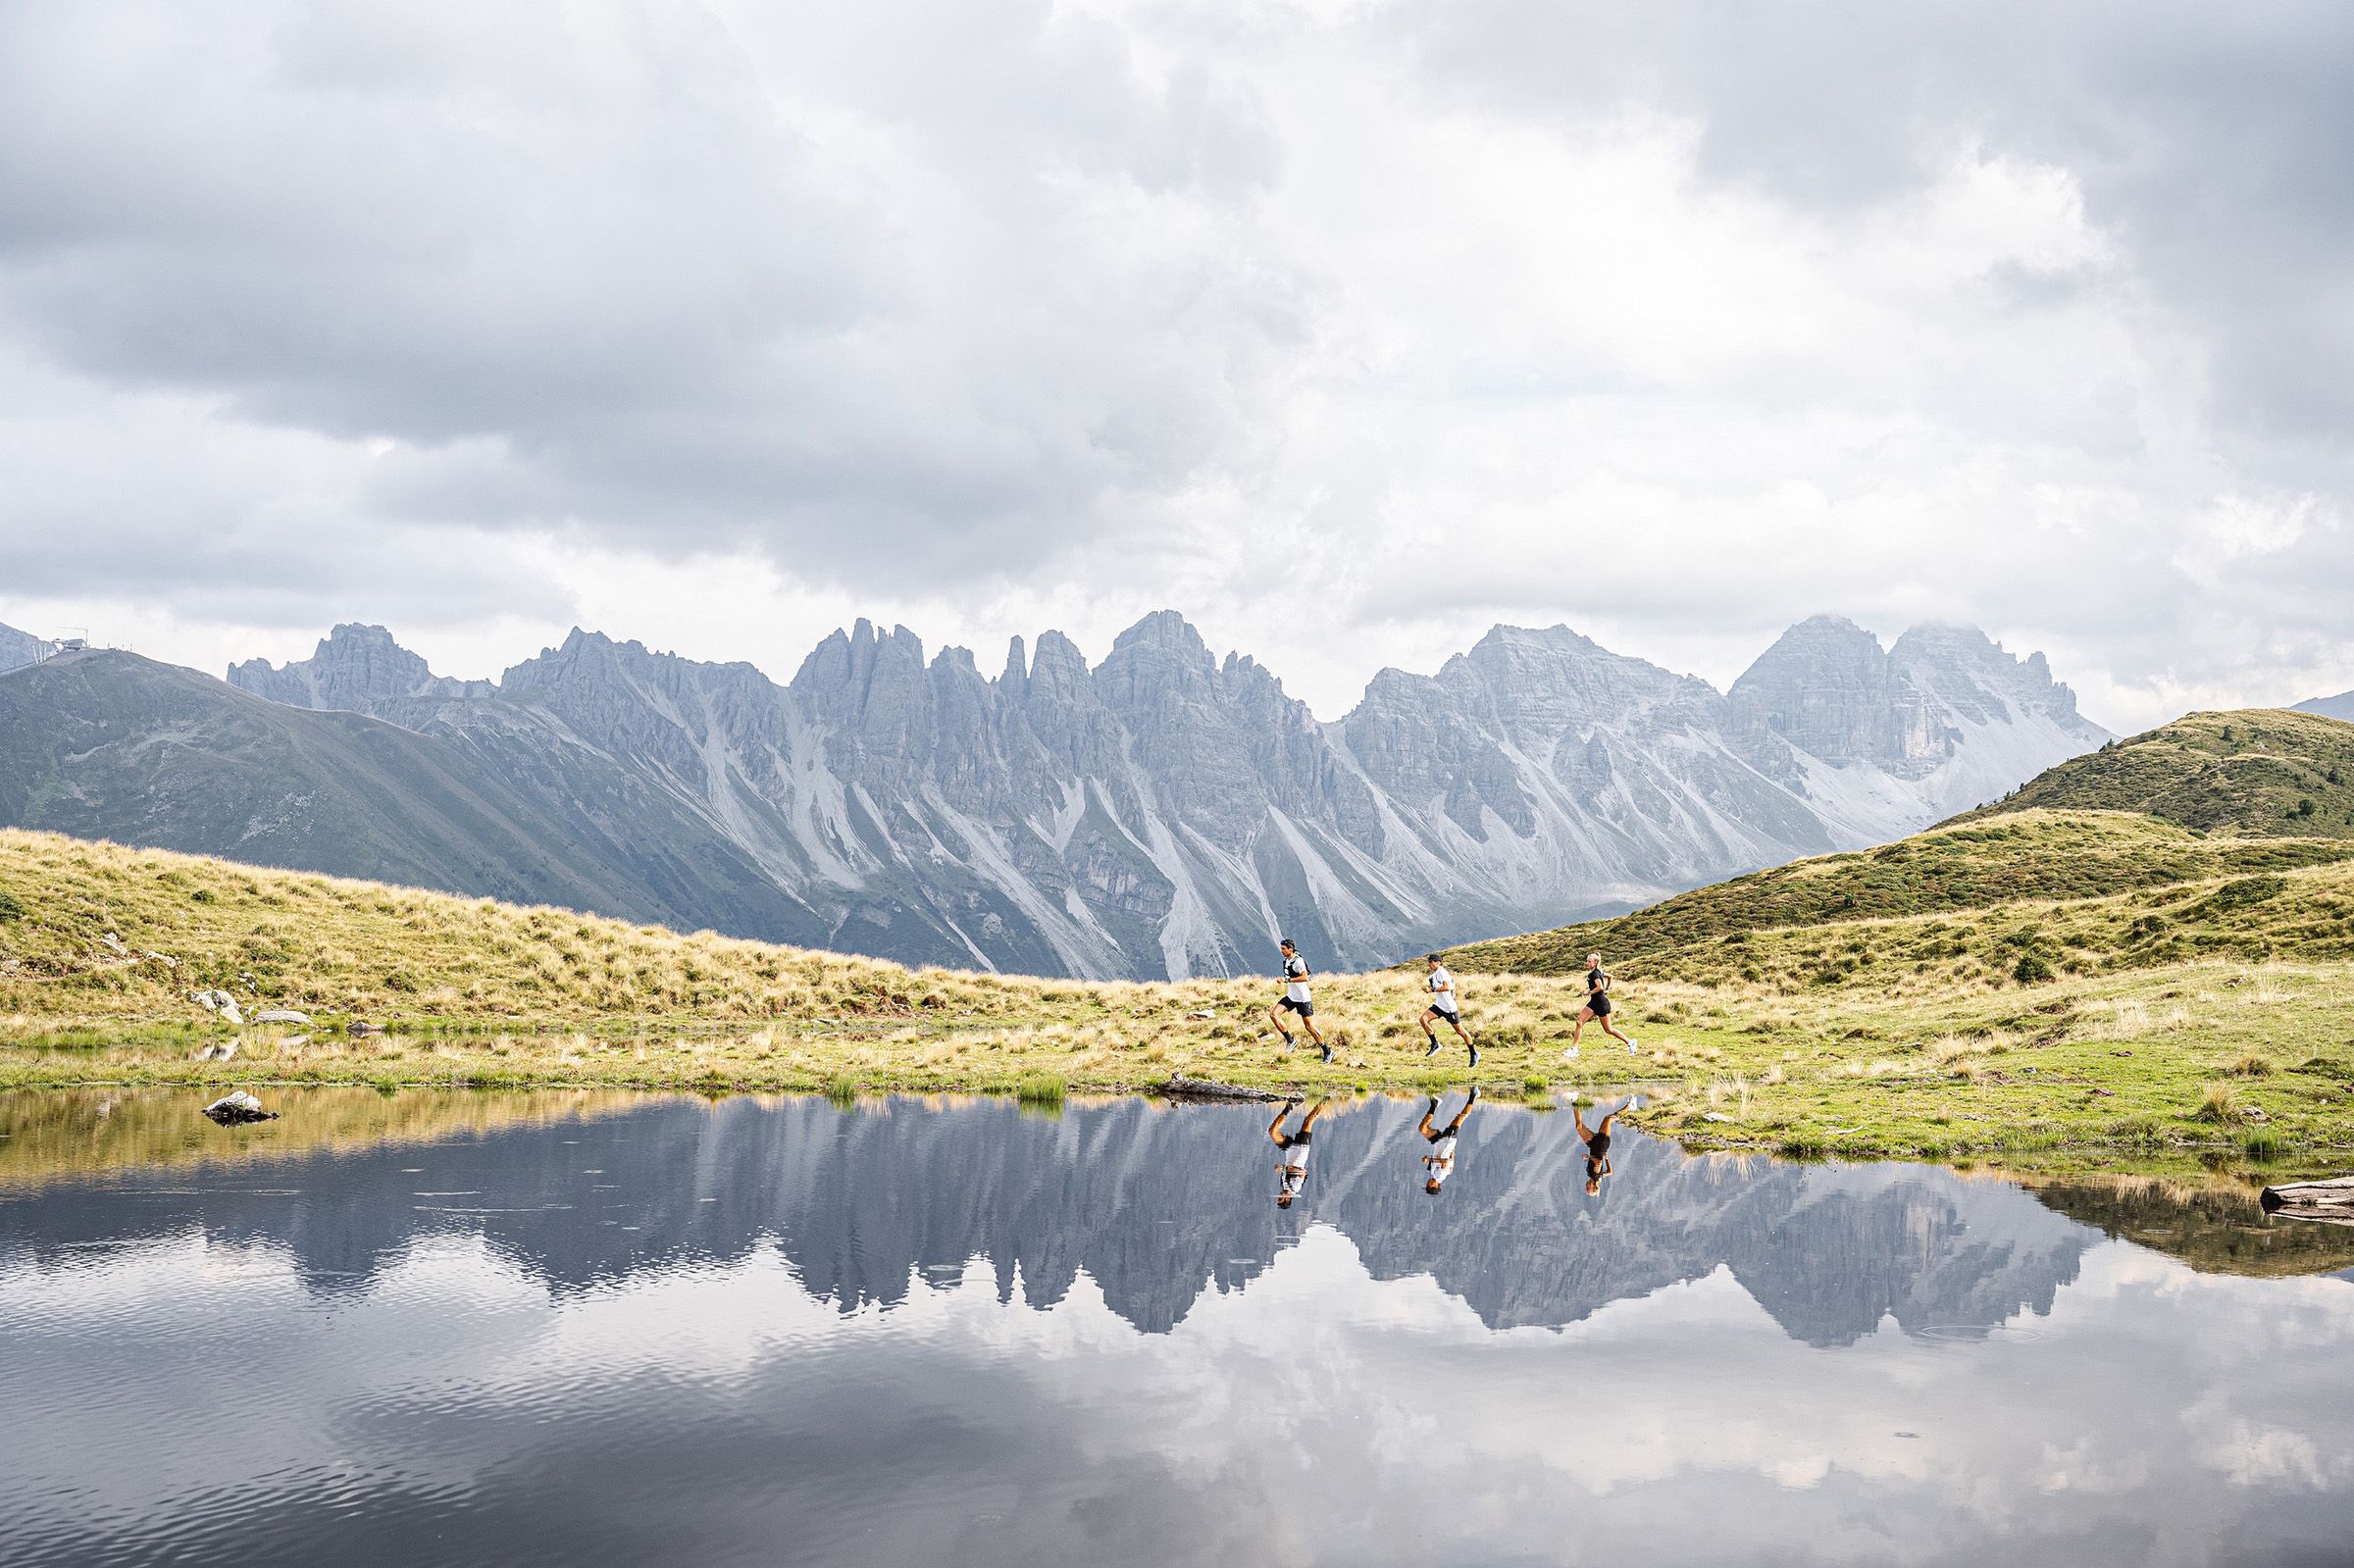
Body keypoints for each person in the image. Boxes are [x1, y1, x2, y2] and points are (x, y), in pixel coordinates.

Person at [1563, 950, 1638, 1058]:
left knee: (1608, 1030)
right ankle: (1574, 1050)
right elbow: (1610, 977)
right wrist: (1607, 989)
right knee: (1579, 1022)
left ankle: (1630, 1042)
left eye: (1589, 962)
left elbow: (1599, 987)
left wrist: (1589, 991)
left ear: (1595, 963)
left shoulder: (1595, 974)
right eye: (1587, 961)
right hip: (1594, 1003)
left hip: (1602, 1004)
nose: (1587, 963)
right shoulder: (1598, 972)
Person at [1268, 936, 1331, 1063]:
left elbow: (1305, 977)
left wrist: (1286, 980)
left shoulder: (1298, 961)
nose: (1281, 951)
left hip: (1303, 998)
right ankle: (1291, 1041)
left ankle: (1328, 1051)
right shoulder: (1286, 960)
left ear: (1290, 949)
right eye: (1281, 948)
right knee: (1274, 1015)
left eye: (1284, 949)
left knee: (1309, 1027)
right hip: (1292, 996)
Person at [1270, 1095, 1331, 1208]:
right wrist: (1283, 1168)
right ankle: (1325, 1098)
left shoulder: (1283, 1185)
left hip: (1289, 1151)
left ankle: (1289, 1107)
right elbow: (1302, 1172)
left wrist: (1284, 1168)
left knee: (1273, 1132)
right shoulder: (1295, 1188)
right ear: (1287, 1199)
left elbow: (1288, 1168)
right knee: (1308, 1120)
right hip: (1301, 1151)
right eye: (1280, 1199)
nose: (1279, 1196)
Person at [1420, 953, 1478, 1067]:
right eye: (1428, 962)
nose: (1429, 964)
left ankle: (1474, 1053)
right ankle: (1435, 1044)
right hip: (1439, 1006)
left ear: (1437, 962)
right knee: (1423, 1020)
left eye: (1431, 962)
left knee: (1460, 1031)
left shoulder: (1442, 972)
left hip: (1449, 1008)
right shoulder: (1435, 974)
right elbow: (1452, 983)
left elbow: (1447, 987)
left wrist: (1431, 990)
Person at [1418, 1086, 1478, 1194]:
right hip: (1447, 1141)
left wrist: (1452, 1155)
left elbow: (1450, 1167)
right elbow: (1445, 1163)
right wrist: (1430, 1160)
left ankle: (1435, 1104)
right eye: (1429, 1186)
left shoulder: (1434, 1175)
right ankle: (1474, 1095)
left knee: (1422, 1128)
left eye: (1427, 1186)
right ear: (1436, 1186)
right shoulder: (1439, 1176)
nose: (1427, 1184)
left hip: (1439, 1143)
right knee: (1460, 1118)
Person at [1574, 1094, 1636, 1195]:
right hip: (1600, 1144)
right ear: (1594, 1186)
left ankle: (1575, 1100)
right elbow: (1598, 1162)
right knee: (1609, 1119)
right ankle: (1630, 1107)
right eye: (1588, 1188)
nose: (1586, 1186)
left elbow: (1610, 1172)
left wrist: (1607, 1159)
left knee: (1579, 1127)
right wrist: (1588, 1157)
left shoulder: (1598, 1177)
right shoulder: (1594, 1175)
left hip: (1594, 1145)